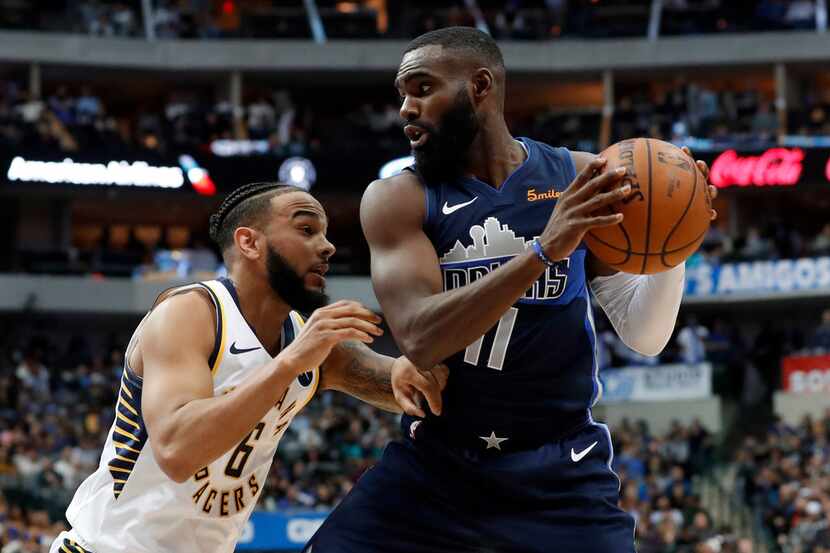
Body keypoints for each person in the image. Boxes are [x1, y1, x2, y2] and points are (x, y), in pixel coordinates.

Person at [305, 27, 718, 553]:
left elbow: (645, 336)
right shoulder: (397, 199)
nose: (407, 108)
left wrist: (672, 246)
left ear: (479, 87)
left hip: (560, 474)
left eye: (423, 88)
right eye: (402, 93)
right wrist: (543, 251)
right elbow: (421, 338)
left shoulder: (578, 175)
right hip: (439, 469)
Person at [49, 182, 448, 553]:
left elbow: (406, 388)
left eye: (325, 234)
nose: (327, 246)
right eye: (307, 229)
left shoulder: (309, 342)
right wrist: (291, 363)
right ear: (249, 242)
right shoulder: (191, 312)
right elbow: (176, 451)